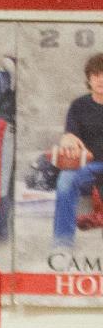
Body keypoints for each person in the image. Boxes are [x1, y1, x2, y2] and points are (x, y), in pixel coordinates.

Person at [52, 53, 103, 250]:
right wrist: (68, 139)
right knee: (66, 179)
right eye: (95, 74)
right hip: (88, 166)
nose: (100, 79)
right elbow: (69, 135)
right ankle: (62, 246)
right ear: (89, 79)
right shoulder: (79, 106)